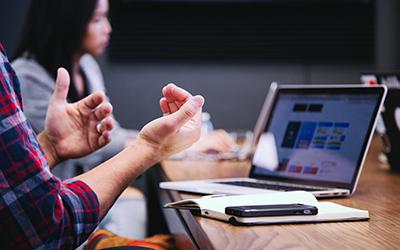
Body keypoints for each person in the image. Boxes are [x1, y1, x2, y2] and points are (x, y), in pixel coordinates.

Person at [0, 42, 204, 249]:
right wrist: (151, 147)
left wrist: (50, 146)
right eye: (97, 18)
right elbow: (46, 226)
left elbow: (11, 185)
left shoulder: (88, 65)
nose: (107, 27)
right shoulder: (26, 74)